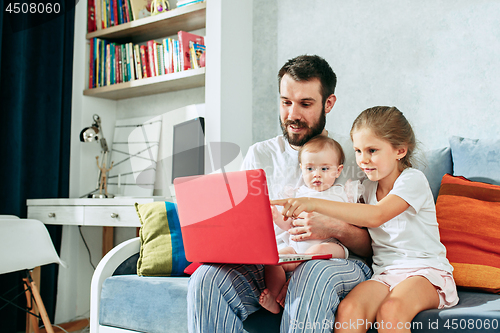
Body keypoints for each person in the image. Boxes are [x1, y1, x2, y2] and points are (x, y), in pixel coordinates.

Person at [187, 55, 373, 333]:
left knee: (312, 274)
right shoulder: (260, 154)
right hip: (275, 262)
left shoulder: (356, 155)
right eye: (286, 102)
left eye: (305, 104)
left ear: (329, 103)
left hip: (336, 261)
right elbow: (245, 230)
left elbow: (373, 246)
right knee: (206, 278)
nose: (292, 115)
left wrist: (333, 227)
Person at [272, 106, 459, 333]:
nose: (363, 160)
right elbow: (350, 220)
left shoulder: (412, 180)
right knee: (349, 310)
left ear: (400, 151)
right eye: (358, 151)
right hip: (385, 273)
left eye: (372, 150)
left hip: (424, 271)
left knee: (391, 310)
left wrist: (312, 203)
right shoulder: (365, 188)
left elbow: (376, 216)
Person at [259, 135, 355, 314]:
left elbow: (350, 222)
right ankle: (275, 295)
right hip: (296, 251)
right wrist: (276, 217)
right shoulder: (298, 195)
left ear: (338, 170)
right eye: (310, 168)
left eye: (325, 168)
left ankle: (291, 285)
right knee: (274, 259)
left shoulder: (340, 194)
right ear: (302, 169)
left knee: (315, 253)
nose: (316, 174)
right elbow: (290, 227)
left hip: (330, 248)